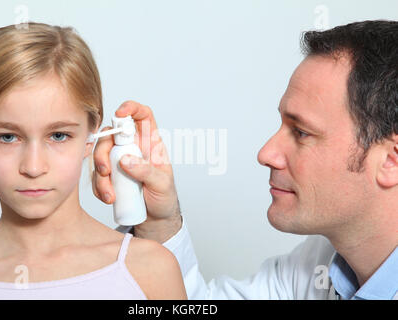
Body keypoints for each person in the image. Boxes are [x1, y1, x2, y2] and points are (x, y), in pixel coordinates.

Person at [93, 20, 398, 299]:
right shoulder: (318, 268)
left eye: (302, 132)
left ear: (391, 161)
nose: (266, 154)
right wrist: (158, 223)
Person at [0, 22, 187, 300]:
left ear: (92, 132)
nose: (34, 167)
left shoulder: (150, 270)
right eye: (8, 137)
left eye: (58, 135)